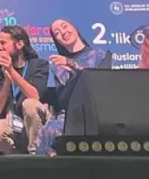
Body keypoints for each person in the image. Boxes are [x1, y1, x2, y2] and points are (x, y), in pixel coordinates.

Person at [36, 18, 112, 156]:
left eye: (65, 26)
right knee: (48, 131)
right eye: (57, 33)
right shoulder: (59, 66)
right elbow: (63, 101)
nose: (63, 32)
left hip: (98, 112)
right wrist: (71, 76)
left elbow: (100, 84)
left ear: (75, 28)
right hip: (72, 114)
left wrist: (72, 65)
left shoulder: (101, 55)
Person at [0, 25, 50, 155]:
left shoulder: (39, 65)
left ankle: (36, 153)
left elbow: (35, 96)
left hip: (36, 123)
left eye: (3, 43)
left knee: (29, 104)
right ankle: (17, 157)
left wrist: (12, 71)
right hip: (12, 123)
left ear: (19, 44)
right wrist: (7, 81)